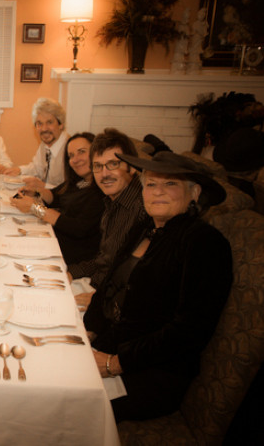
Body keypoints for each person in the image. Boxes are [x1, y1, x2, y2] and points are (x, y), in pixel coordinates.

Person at [85, 151, 232, 423]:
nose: (158, 192)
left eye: (171, 184)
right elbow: (108, 284)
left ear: (195, 193)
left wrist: (114, 363)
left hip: (152, 374)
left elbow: (189, 332)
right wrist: (89, 331)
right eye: (151, 184)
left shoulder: (204, 243)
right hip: (110, 345)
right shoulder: (145, 227)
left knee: (56, 403)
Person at [68, 129, 147, 292]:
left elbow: (135, 278)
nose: (104, 174)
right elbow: (103, 260)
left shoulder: (142, 209)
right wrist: (70, 272)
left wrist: (100, 300)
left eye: (113, 164)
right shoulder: (112, 202)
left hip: (109, 297)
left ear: (132, 167)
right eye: (97, 166)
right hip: (96, 285)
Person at [10, 133, 105, 265]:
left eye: (81, 152)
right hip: (55, 241)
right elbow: (56, 197)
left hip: (71, 255)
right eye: (71, 156)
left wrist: (35, 208)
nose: (75, 159)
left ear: (96, 153)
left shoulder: (101, 190)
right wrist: (37, 192)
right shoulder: (79, 181)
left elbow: (78, 228)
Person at [5, 97, 69, 189]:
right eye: (39, 123)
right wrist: (19, 170)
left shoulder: (70, 149)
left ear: (61, 124)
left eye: (49, 122)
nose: (44, 129)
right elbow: (37, 167)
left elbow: (70, 190)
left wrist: (43, 186)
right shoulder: (45, 145)